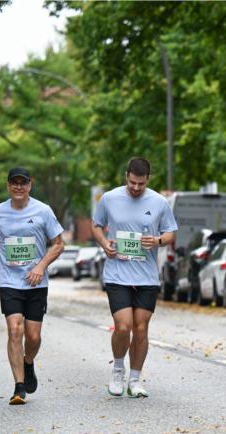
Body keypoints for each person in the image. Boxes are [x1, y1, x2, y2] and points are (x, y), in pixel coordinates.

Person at [0, 167, 64, 405]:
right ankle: (18, 387)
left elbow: (59, 244)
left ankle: (28, 362)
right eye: (14, 183)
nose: (18, 187)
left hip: (36, 283)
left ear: (30, 185)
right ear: (8, 185)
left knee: (33, 336)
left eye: (23, 183)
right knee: (14, 330)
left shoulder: (43, 210)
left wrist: (41, 266)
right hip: (10, 281)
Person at [92, 157, 176, 398]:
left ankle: (136, 380)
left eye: (141, 184)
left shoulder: (159, 202)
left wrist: (157, 240)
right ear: (126, 176)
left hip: (147, 277)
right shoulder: (109, 198)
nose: (136, 188)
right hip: (118, 273)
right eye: (132, 183)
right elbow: (97, 225)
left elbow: (170, 232)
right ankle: (118, 370)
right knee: (123, 326)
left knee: (140, 328)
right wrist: (104, 243)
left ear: (148, 179)